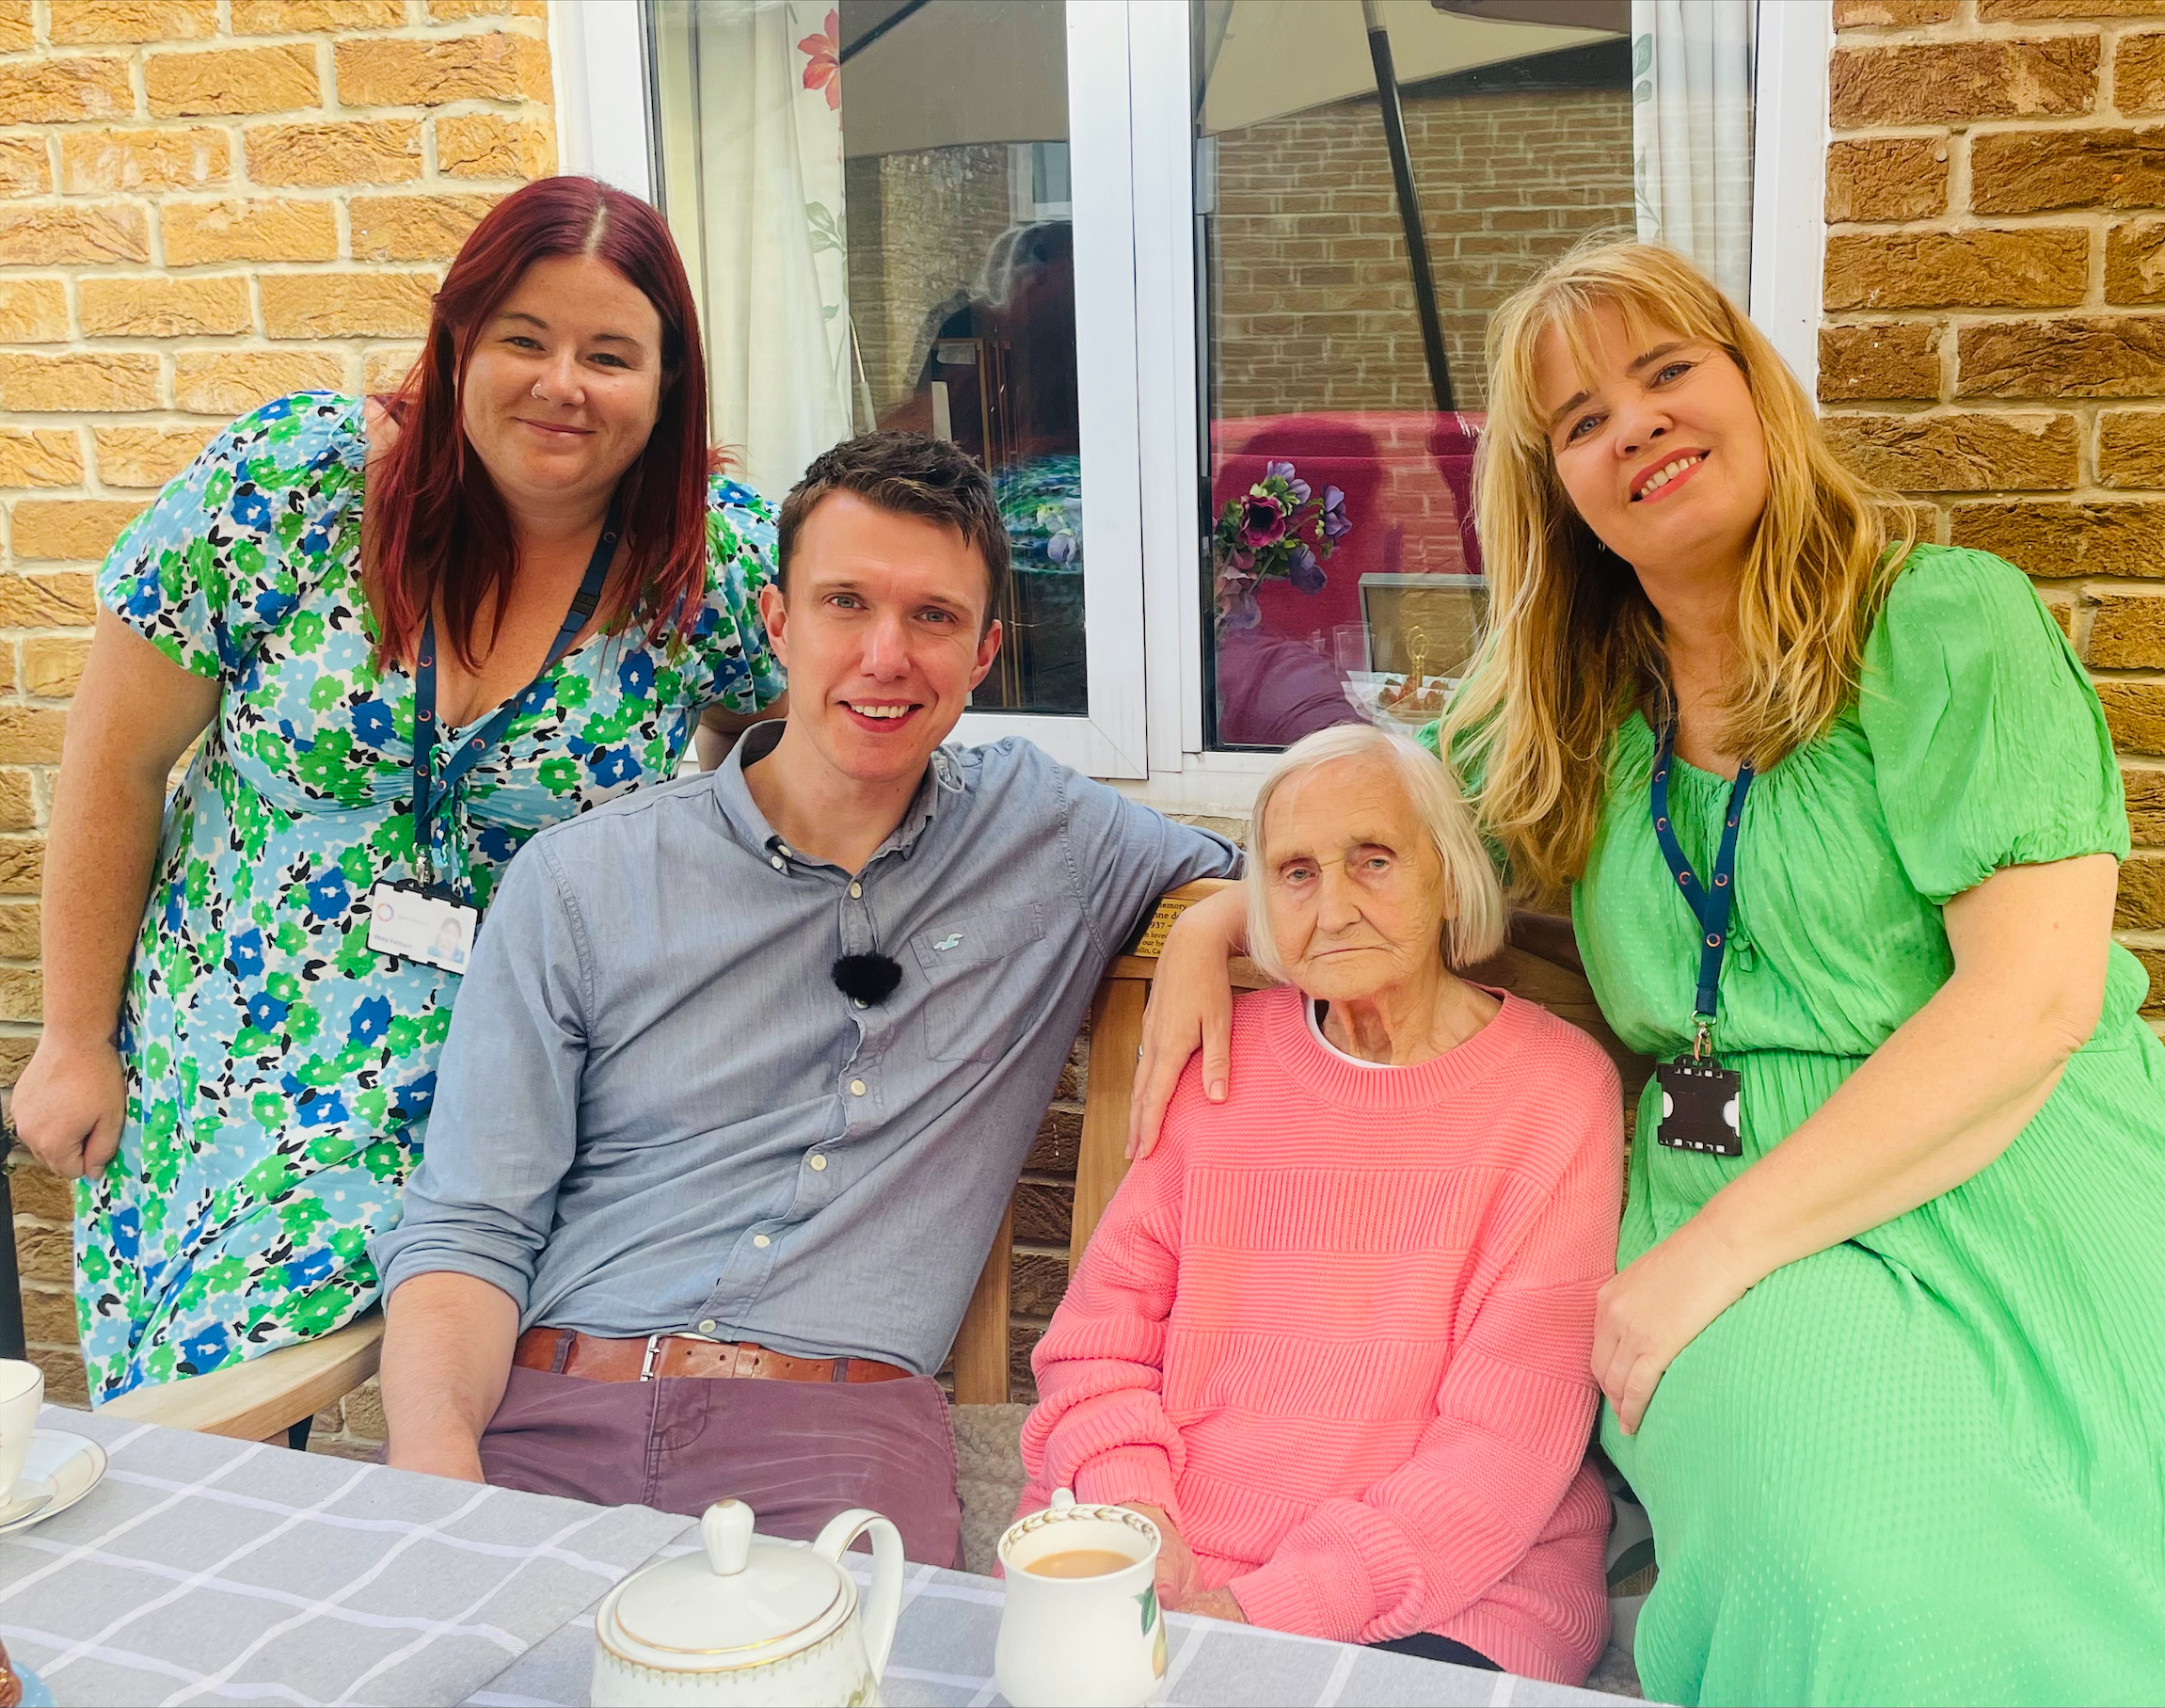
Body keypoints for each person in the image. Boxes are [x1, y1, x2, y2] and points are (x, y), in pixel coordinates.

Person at [1127, 241, 2165, 1705]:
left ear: (1750, 382)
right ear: (1561, 491)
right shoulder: (1565, 709)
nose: (1639, 425)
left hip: (2025, 1151)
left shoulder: (1941, 622)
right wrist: (1224, 917)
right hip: (1738, 1200)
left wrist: (1707, 1256)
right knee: (1866, 1568)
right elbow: (1381, 841)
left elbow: (2033, 1000)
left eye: (1668, 372)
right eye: (1585, 420)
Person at [372, 432, 1239, 1570]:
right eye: (845, 603)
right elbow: (471, 1221)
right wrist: (435, 1460)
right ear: (779, 623)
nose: (885, 655)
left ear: (984, 653)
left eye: (932, 618)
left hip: (834, 1435)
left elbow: (1313, 869)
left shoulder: (1050, 838)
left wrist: (1215, 914)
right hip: (552, 1402)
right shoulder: (581, 881)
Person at [16, 177, 784, 1409]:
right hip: (232, 1047)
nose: (562, 383)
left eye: (610, 353)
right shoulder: (297, 487)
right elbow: (116, 762)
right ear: (458, 341)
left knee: (523, 1407)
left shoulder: (707, 559)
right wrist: (71, 1038)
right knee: (202, 1423)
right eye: (524, 339)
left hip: (515, 1071)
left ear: (670, 383)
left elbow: (815, 740)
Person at [1018, 725, 1620, 1683]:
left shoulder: (1551, 1094)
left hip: (1458, 1589)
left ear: (1448, 878)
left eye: (1372, 861)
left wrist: (1259, 1612)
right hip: (1168, 1557)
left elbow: (1504, 1447)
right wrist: (1134, 1517)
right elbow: (1098, 1343)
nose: (1332, 907)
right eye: (1294, 873)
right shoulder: (1223, 1054)